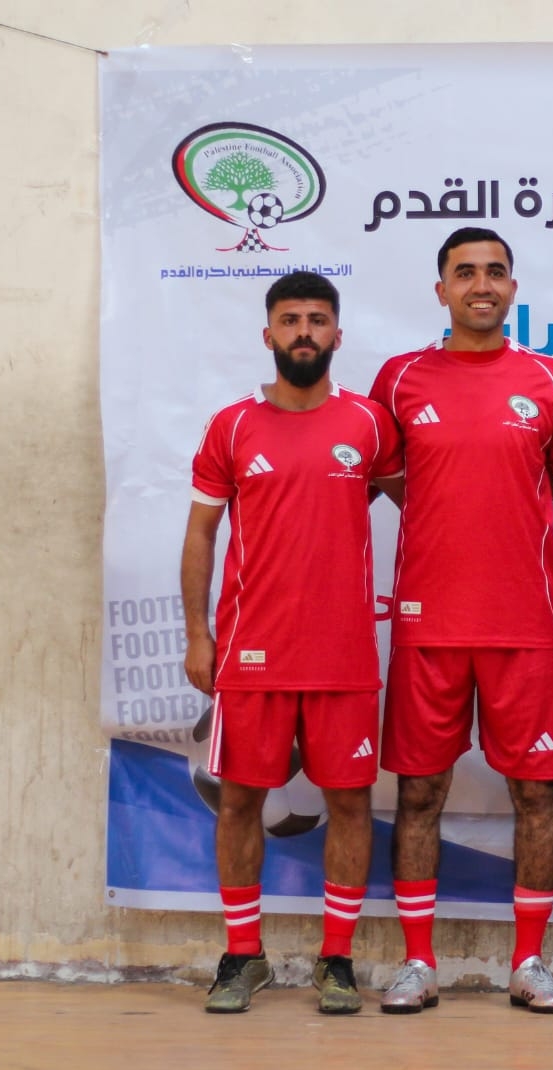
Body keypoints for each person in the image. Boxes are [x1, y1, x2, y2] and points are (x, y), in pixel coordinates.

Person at [367, 227, 553, 1016]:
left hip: (522, 625)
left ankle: (529, 963)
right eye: (465, 272)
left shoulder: (549, 379)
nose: (481, 284)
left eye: (495, 271)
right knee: (419, 794)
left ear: (513, 288)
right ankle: (418, 963)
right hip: (428, 625)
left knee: (536, 794)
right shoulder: (400, 377)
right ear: (441, 290)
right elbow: (381, 479)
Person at [181, 271, 402, 1015]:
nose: (303, 331)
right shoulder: (231, 426)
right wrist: (199, 634)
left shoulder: (370, 424)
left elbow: (422, 507)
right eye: (289, 319)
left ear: (338, 333)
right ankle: (244, 957)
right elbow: (200, 535)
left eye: (316, 319)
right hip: (252, 653)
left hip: (343, 655)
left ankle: (335, 960)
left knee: (350, 803)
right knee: (239, 801)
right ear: (268, 333)